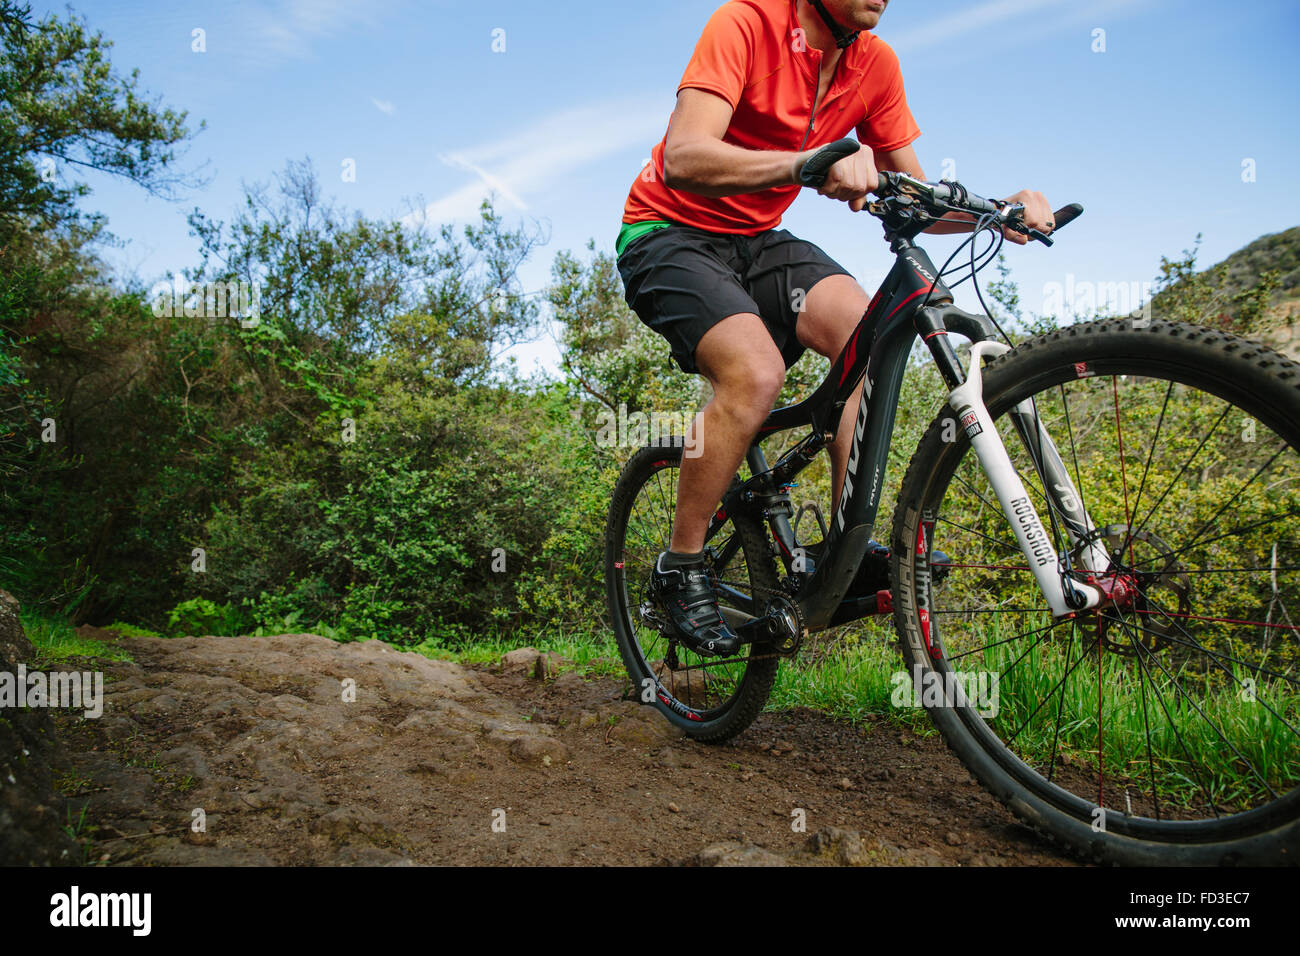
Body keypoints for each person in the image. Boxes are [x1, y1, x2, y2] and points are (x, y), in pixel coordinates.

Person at [616, 0, 1055, 656]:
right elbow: (684, 156)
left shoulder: (875, 63)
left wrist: (999, 212)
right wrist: (807, 162)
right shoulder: (746, 22)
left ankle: (848, 553)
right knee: (756, 372)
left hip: (758, 240)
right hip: (667, 234)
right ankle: (681, 568)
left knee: (872, 335)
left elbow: (912, 192)